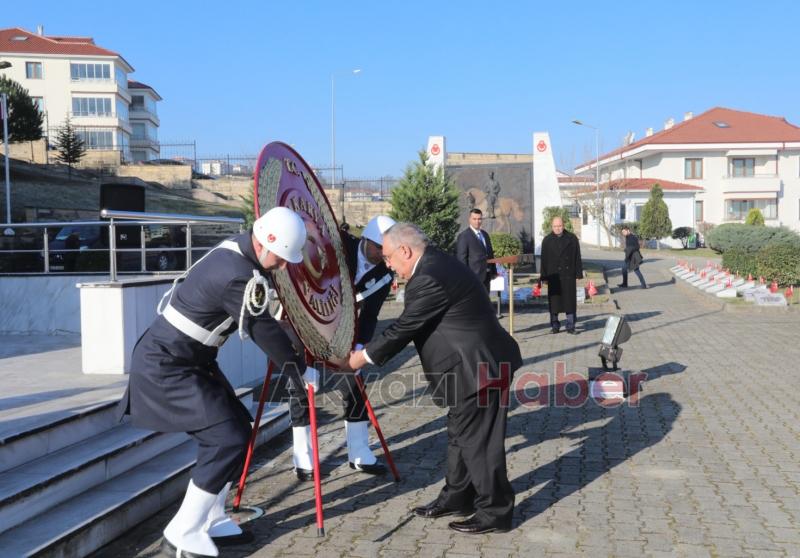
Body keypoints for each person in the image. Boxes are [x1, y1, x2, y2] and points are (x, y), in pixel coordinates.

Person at [117, 206, 319, 558]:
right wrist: (300, 369)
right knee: (227, 438)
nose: (285, 266)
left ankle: (211, 518)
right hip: (167, 364)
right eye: (283, 258)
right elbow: (264, 332)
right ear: (265, 244)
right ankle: (184, 530)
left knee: (238, 428)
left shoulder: (240, 252)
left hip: (189, 359)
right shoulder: (238, 276)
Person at [348, 223, 522, 534]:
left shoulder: (428, 276)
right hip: (468, 369)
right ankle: (458, 496)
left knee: (479, 444)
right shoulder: (433, 262)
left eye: (388, 257)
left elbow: (404, 328)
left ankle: (496, 510)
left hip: (479, 368)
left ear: (405, 250)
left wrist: (362, 357)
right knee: (459, 436)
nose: (387, 265)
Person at [290, 215, 396, 480]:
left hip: (347, 331)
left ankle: (359, 452)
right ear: (367, 241)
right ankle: (303, 456)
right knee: (302, 384)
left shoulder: (385, 272)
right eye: (380, 250)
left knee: (354, 386)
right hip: (309, 319)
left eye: (388, 252)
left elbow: (371, 314)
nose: (384, 256)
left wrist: (360, 347)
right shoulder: (339, 244)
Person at [540, 216, 583, 334]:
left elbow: (577, 257)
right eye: (555, 226)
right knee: (554, 303)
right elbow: (544, 260)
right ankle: (555, 325)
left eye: (559, 226)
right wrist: (543, 277)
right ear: (551, 226)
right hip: (553, 276)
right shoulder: (547, 240)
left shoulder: (572, 238)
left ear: (563, 225)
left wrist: (578, 273)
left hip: (568, 275)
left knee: (569, 302)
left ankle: (570, 326)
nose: (558, 228)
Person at [456, 208, 497, 293]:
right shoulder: (464, 236)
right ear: (469, 219)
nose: (477, 221)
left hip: (487, 276)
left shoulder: (485, 235)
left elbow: (490, 254)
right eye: (474, 219)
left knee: (485, 302)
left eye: (479, 219)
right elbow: (461, 259)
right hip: (473, 278)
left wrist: (493, 271)